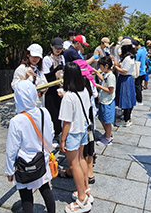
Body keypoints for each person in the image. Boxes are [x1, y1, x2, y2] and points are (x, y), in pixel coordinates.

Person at [5, 80, 55, 213]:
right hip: (41, 159)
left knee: (26, 197)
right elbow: (51, 133)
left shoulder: (16, 121)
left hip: (24, 164)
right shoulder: (44, 112)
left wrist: (10, 171)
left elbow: (11, 150)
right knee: (45, 189)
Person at [59, 62, 94, 213]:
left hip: (73, 133)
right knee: (81, 159)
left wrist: (62, 139)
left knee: (74, 165)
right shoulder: (85, 90)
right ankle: (86, 189)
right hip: (83, 130)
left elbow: (67, 122)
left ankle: (81, 199)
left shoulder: (68, 97)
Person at [42, 37, 65, 141]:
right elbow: (46, 77)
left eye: (60, 48)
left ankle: (60, 132)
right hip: (51, 90)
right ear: (51, 46)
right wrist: (56, 69)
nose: (58, 50)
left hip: (61, 88)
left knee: (61, 112)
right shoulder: (47, 59)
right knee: (52, 113)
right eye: (56, 48)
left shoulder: (62, 58)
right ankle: (53, 134)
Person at [113, 43, 137, 127]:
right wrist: (118, 64)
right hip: (124, 79)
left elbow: (124, 71)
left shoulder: (128, 58)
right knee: (126, 98)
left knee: (126, 99)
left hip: (125, 79)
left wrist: (116, 67)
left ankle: (127, 119)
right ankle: (126, 117)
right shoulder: (128, 57)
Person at [94, 56, 116, 145]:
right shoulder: (106, 74)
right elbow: (103, 80)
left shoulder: (111, 76)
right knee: (102, 118)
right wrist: (96, 72)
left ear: (106, 66)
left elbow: (111, 90)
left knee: (107, 121)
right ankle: (107, 133)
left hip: (108, 101)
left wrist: (99, 86)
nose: (100, 68)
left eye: (100, 66)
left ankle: (108, 138)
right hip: (103, 100)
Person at [133, 39, 147, 106]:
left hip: (139, 71)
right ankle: (139, 98)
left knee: (137, 86)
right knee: (139, 85)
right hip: (143, 70)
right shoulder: (144, 50)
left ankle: (139, 100)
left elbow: (135, 60)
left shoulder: (138, 52)